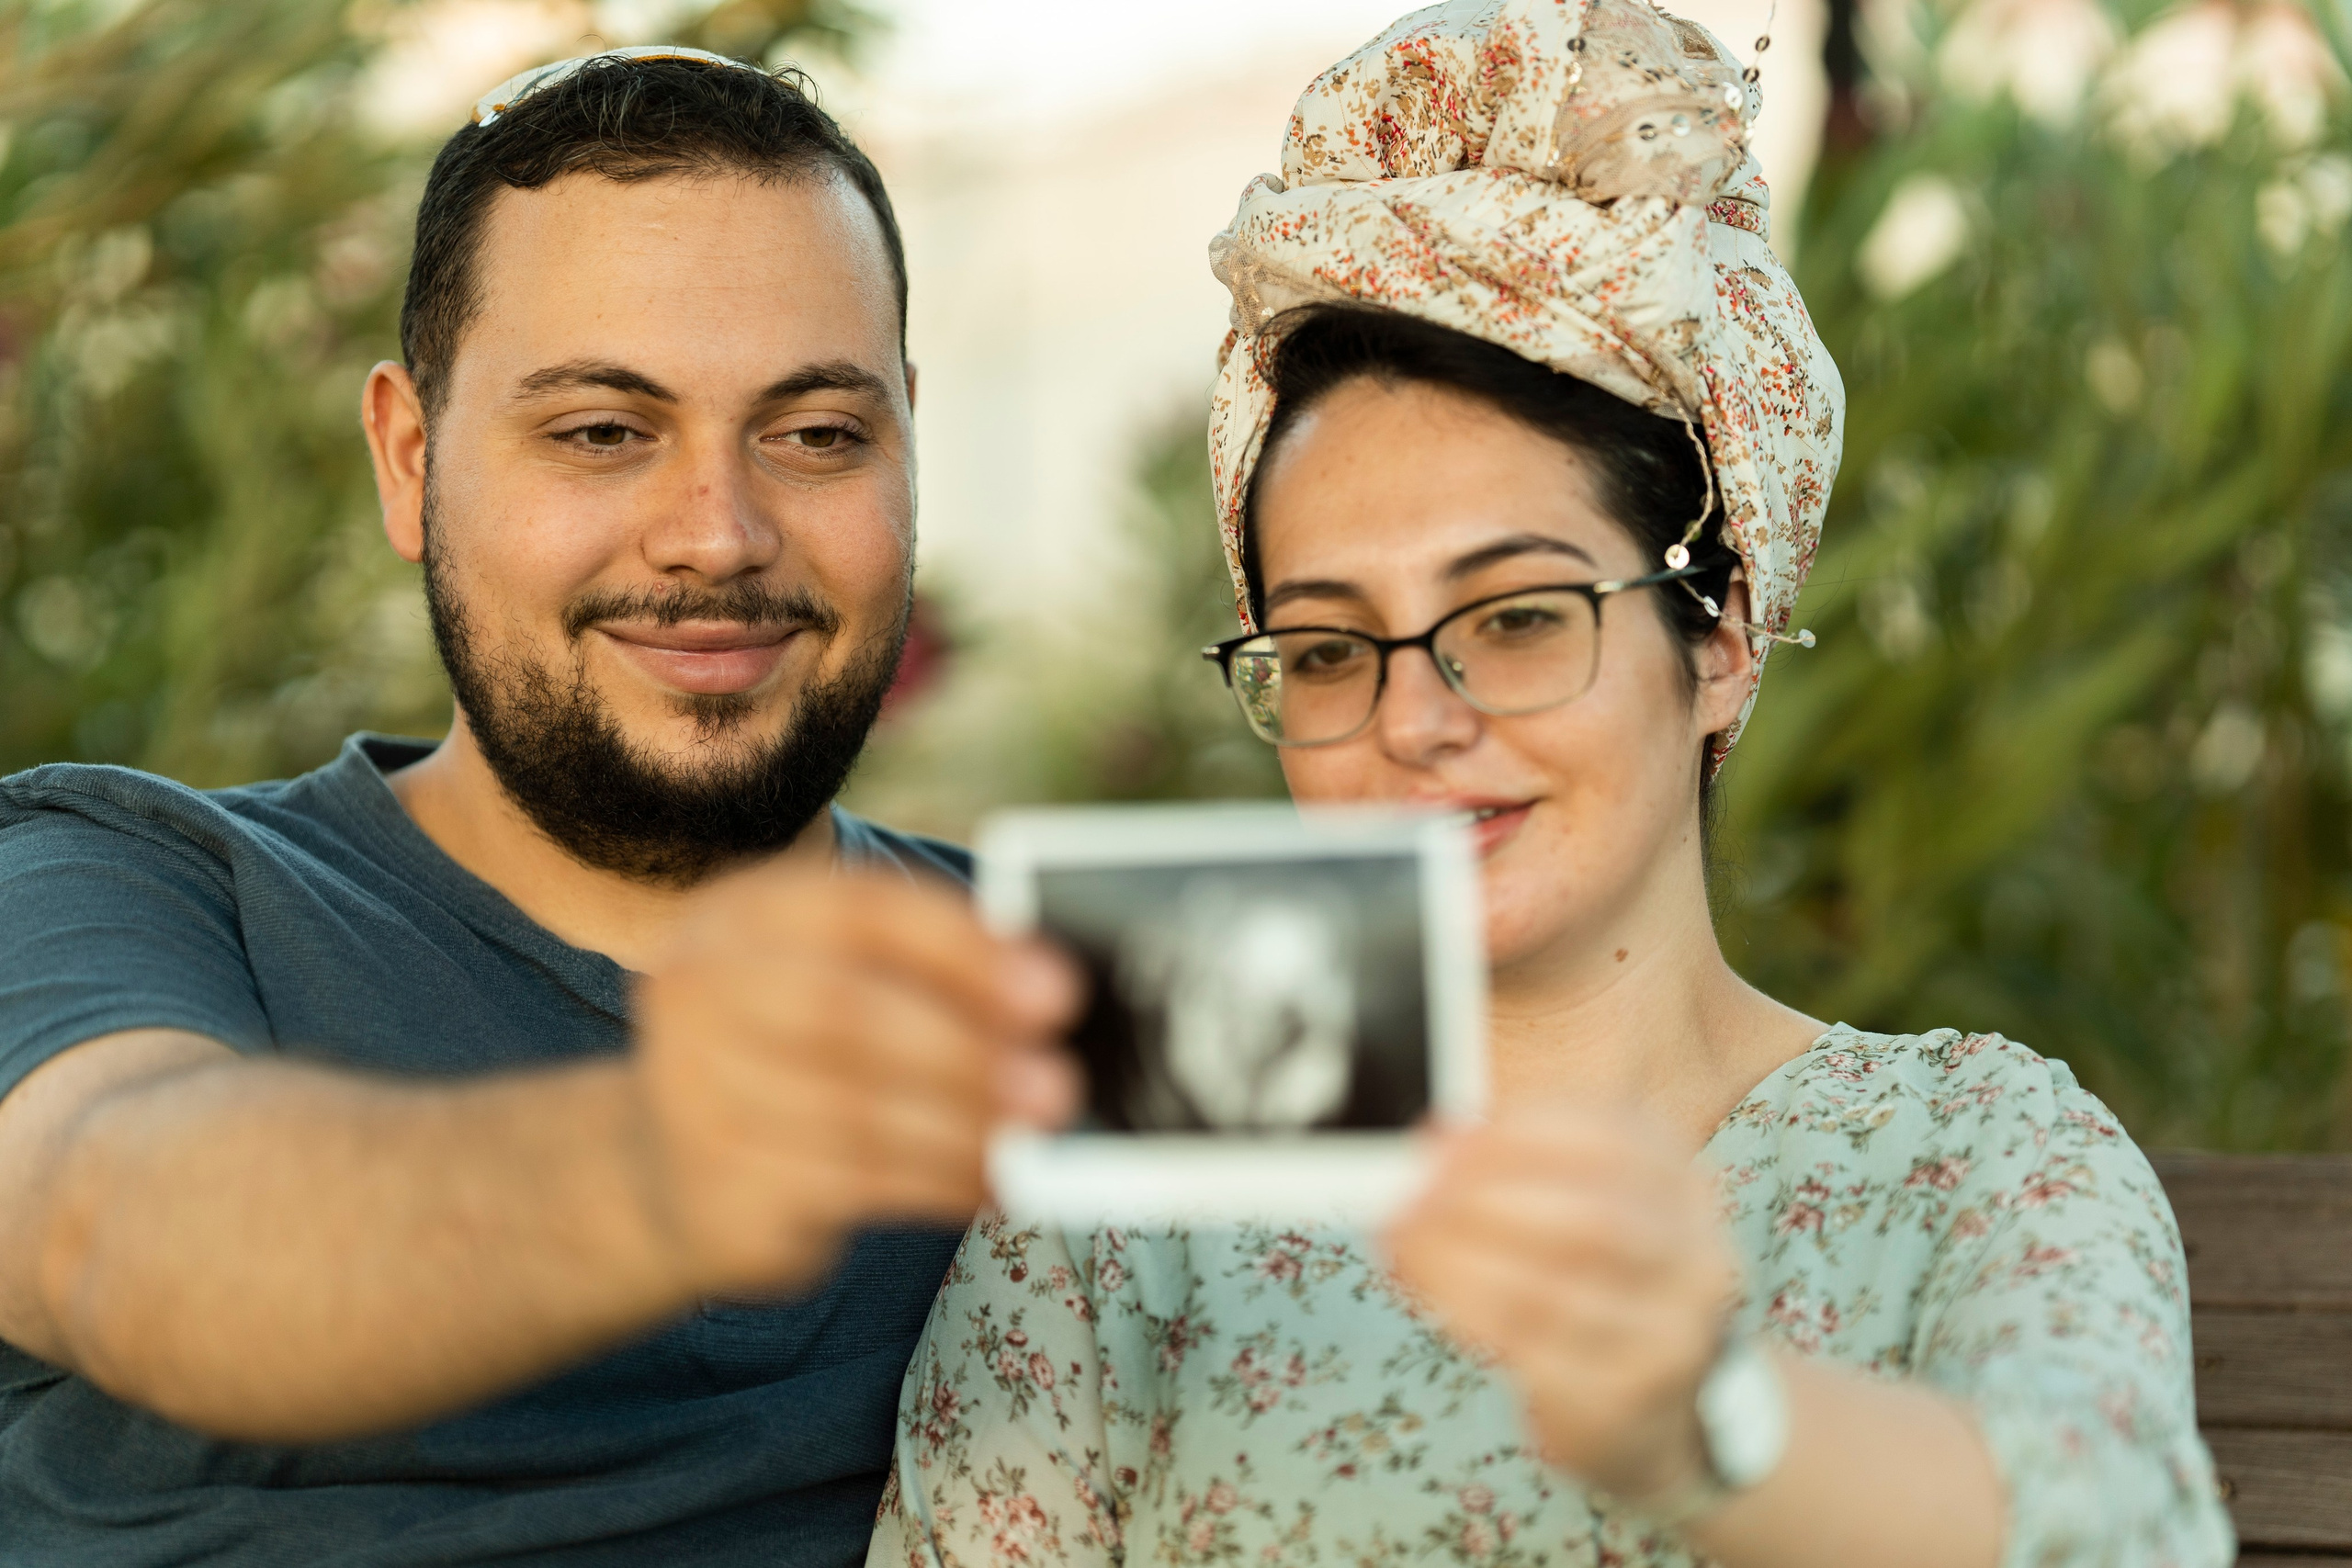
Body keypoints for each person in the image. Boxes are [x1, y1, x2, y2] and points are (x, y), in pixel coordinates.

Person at [871, 5, 2234, 1566]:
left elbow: (2115, 1530)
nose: (1416, 718)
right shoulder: (1132, 1214)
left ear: (1720, 639)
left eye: (1515, 620)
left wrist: (1709, 1420)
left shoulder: (1972, 1154)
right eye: (1325, 649)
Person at [0, 47, 1080, 1566]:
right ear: (408, 455)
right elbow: (121, 1233)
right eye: (600, 430)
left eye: (818, 433)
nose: (719, 532)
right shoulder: (126, 886)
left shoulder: (1057, 982)